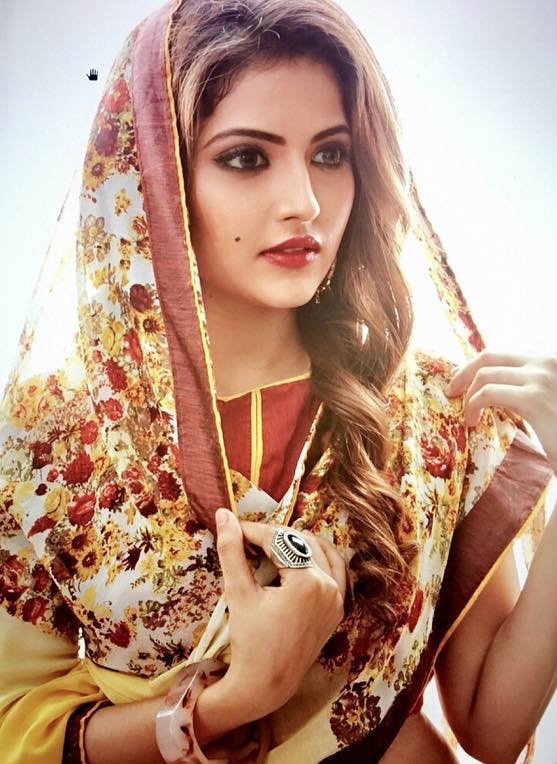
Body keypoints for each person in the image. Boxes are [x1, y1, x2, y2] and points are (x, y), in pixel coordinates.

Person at [0, 1, 555, 763]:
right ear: (152, 176)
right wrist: (238, 699)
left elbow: (493, 730)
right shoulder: (50, 438)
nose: (305, 203)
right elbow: (15, 725)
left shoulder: (435, 411)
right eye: (245, 158)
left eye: (331, 153)